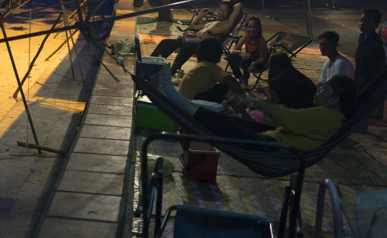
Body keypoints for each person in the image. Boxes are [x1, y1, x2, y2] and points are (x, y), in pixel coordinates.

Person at [150, 64, 357, 151]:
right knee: (226, 121)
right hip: (271, 140)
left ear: (334, 100)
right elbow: (287, 121)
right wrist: (244, 110)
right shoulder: (330, 116)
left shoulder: (327, 116)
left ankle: (169, 95)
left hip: (271, 148)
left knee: (217, 122)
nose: (318, 90)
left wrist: (253, 101)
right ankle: (168, 95)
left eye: (324, 90)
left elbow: (287, 117)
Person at [150, 1, 242, 76]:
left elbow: (239, 5)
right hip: (192, 41)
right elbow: (193, 26)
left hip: (206, 47)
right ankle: (151, 63)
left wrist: (229, 5)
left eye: (225, 11)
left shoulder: (227, 23)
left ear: (230, 13)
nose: (221, 12)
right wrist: (201, 15)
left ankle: (173, 69)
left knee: (188, 45)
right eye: (220, 9)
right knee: (165, 42)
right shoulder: (211, 23)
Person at [178, 38, 245, 103]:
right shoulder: (210, 67)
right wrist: (244, 97)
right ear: (217, 53)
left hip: (185, 102)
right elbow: (230, 80)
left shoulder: (200, 65)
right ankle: (245, 113)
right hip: (195, 103)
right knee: (224, 88)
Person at [226, 16, 268, 89]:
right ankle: (240, 77)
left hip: (257, 62)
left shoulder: (261, 41)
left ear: (258, 29)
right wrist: (242, 53)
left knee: (246, 59)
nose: (252, 29)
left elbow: (263, 59)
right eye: (250, 27)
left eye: (254, 27)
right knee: (231, 57)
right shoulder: (245, 37)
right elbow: (234, 50)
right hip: (248, 57)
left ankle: (245, 80)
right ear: (246, 28)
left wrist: (253, 63)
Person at [354, 8, 386, 90]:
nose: (362, 23)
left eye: (367, 22)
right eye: (361, 20)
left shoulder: (375, 42)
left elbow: (379, 66)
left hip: (368, 84)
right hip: (359, 80)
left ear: (375, 25)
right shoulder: (362, 36)